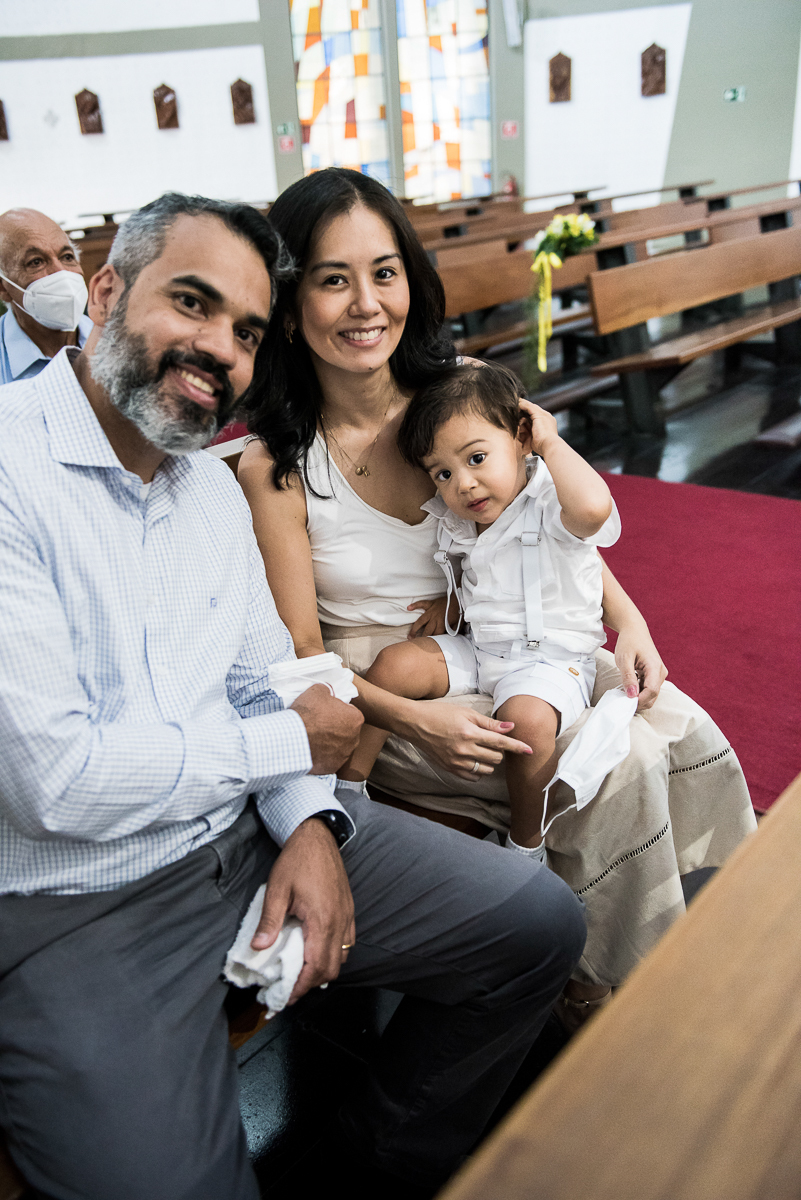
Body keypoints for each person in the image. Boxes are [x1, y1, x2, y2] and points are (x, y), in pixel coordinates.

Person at [0, 191, 587, 1200]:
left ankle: (376, 1167)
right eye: (190, 303)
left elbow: (275, 679)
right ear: (104, 292)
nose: (217, 348)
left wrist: (311, 823)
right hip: (76, 900)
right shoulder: (14, 470)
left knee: (535, 927)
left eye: (243, 332)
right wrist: (288, 758)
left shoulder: (201, 488)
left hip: (247, 831)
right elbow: (57, 782)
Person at [238, 166, 757, 1024]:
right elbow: (299, 654)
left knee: (657, 719)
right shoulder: (279, 463)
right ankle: (579, 980)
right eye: (334, 279)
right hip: (380, 698)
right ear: (291, 305)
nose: (366, 303)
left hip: (507, 637)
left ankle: (616, 957)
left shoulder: (464, 394)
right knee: (605, 764)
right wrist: (414, 723)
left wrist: (626, 619)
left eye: (384, 272)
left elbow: (544, 524)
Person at [346, 360, 620, 867]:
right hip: (482, 648)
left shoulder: (549, 502)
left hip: (549, 661)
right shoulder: (459, 519)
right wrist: (447, 602)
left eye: (476, 458)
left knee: (526, 723)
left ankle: (525, 844)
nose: (463, 484)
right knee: (392, 666)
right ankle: (349, 788)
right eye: (443, 473)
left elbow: (594, 511)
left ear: (521, 438)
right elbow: (480, 576)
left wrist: (552, 444)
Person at [0, 208, 92, 384]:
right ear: (3, 287)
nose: (61, 273)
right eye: (36, 262)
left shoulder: (118, 343)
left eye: (67, 257)